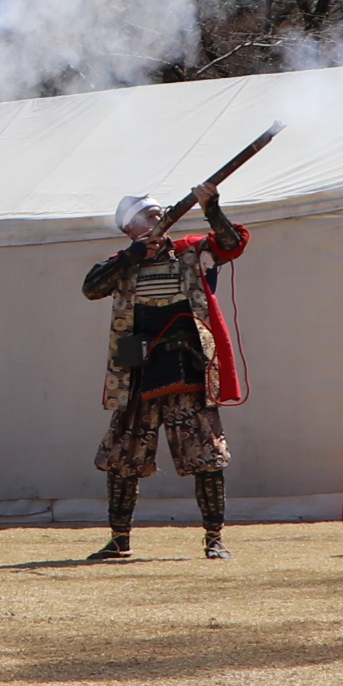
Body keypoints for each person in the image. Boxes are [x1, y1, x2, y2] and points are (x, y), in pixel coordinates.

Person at [84, 182, 251, 562]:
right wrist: (132, 256)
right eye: (149, 215)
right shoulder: (123, 260)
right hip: (138, 373)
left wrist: (213, 208)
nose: (158, 218)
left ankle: (214, 539)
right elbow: (91, 287)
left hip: (188, 365)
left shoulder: (192, 249)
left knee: (206, 455)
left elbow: (231, 243)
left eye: (159, 213)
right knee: (123, 455)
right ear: (130, 228)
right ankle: (119, 539)